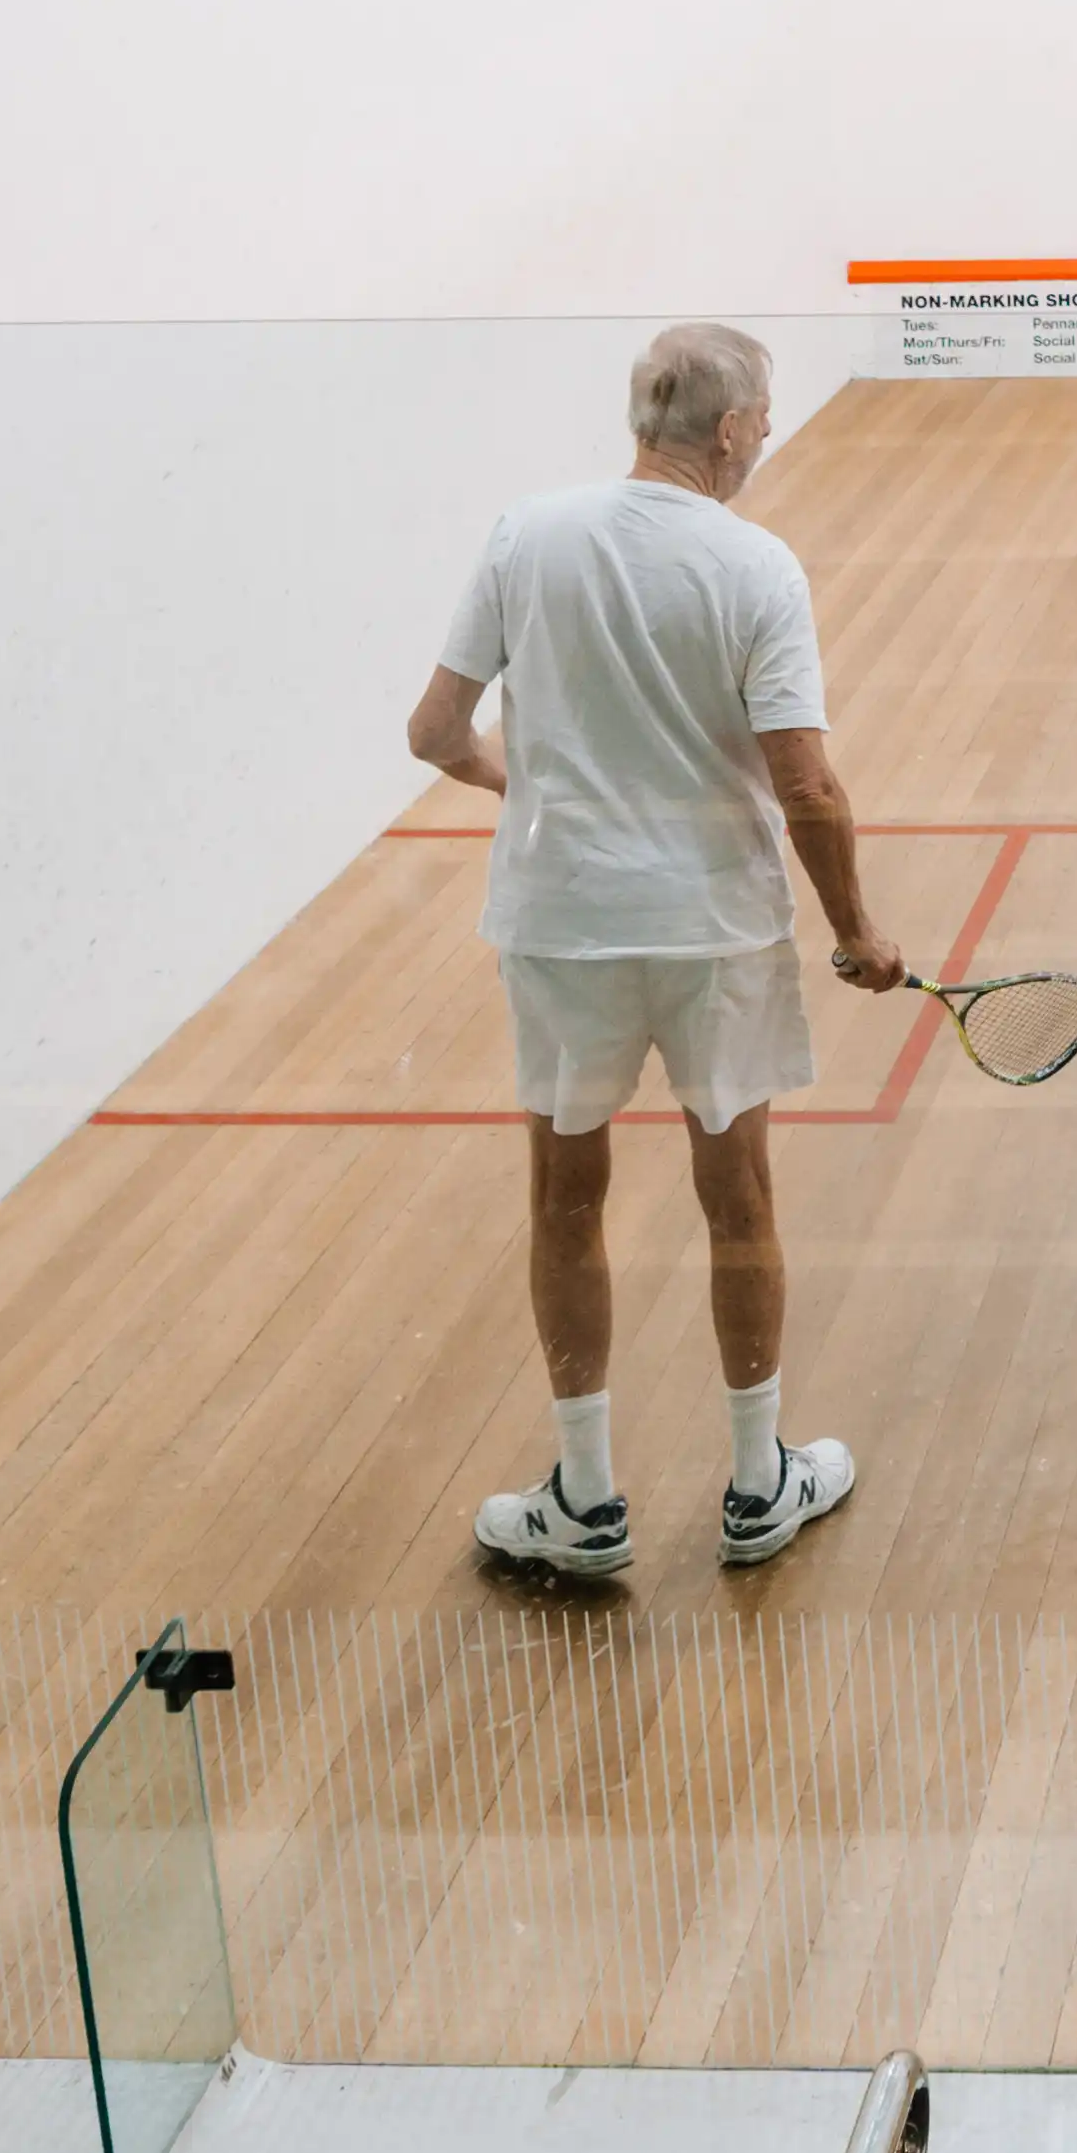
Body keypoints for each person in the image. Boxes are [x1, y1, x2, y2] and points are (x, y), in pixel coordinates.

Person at [409, 322, 914, 1582]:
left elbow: (432, 730)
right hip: (714, 931)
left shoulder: (529, 531)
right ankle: (756, 1482)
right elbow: (806, 781)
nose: (769, 436)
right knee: (735, 1196)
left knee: (564, 1201)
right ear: (733, 427)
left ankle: (583, 1501)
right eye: (769, 417)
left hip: (563, 923)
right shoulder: (757, 567)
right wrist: (856, 927)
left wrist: (528, 790)